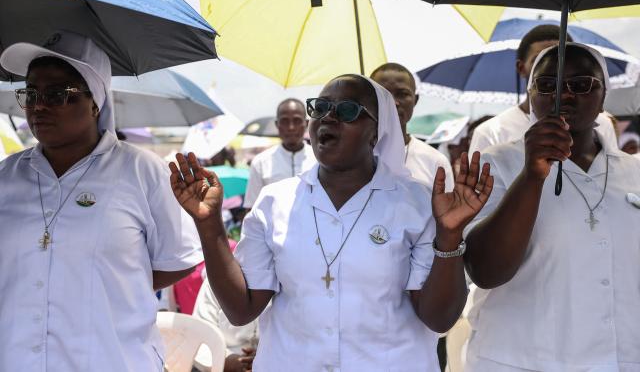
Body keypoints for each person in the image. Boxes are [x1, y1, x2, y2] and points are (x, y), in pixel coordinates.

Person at [169, 74, 494, 371]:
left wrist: (449, 236)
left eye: (348, 111)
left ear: (377, 131)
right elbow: (241, 310)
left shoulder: (416, 204)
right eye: (321, 107)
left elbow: (439, 319)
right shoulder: (274, 202)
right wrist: (209, 224)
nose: (328, 117)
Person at [0, 32, 203, 371]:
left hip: (112, 360)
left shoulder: (142, 171)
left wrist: (111, 278)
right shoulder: (6, 177)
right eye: (30, 93)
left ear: (95, 101)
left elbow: (178, 259)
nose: (39, 105)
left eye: (57, 94)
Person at [464, 43, 640, 371]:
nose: (565, 96)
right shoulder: (497, 163)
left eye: (582, 84)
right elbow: (485, 271)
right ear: (530, 94)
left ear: (603, 95)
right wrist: (532, 175)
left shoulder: (633, 172)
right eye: (547, 86)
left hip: (620, 359)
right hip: (521, 359)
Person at [469, 25, 618, 153]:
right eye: (540, 59)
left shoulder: (603, 124)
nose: (554, 64)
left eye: (562, 58)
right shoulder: (491, 132)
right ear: (521, 68)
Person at [371, 62, 454, 190]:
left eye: (402, 94)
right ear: (369, 100)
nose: (393, 102)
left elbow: (446, 210)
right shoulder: (352, 158)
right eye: (383, 94)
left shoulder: (435, 161)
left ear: (415, 100)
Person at [242, 98, 316, 208]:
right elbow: (252, 208)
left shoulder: (318, 160)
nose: (291, 127)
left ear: (306, 124)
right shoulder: (260, 162)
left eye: (296, 121)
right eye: (285, 121)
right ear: (277, 124)